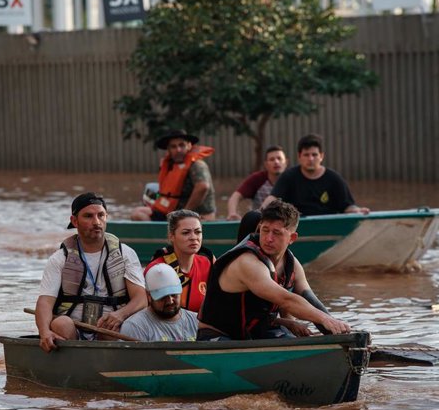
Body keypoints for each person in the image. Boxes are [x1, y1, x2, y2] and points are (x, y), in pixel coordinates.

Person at [197, 199, 351, 341]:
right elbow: (287, 300)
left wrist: (340, 336)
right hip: (218, 336)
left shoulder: (292, 264)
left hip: (254, 332)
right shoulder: (247, 262)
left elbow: (311, 301)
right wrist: (325, 319)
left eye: (277, 233)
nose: (268, 238)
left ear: (292, 238)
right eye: (265, 230)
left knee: (293, 340)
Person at [35, 192, 148, 352]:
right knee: (61, 323)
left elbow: (141, 299)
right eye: (88, 216)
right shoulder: (60, 258)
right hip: (72, 328)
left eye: (101, 215)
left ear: (106, 217)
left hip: (111, 328)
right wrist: (44, 332)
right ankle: (72, 360)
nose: (96, 222)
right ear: (74, 221)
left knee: (111, 327)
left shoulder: (126, 254)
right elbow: (45, 302)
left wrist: (120, 315)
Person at [263, 134, 369, 216]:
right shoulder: (288, 177)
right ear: (299, 156)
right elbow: (272, 199)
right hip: (297, 228)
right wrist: (260, 211)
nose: (311, 159)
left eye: (314, 155)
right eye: (306, 155)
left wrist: (358, 211)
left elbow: (348, 207)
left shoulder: (334, 179)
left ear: (321, 156)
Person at [131, 129, 216, 221]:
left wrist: (184, 214)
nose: (178, 150)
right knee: (137, 213)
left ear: (189, 146)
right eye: (173, 146)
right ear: (169, 150)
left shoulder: (197, 165)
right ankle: (160, 234)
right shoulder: (170, 165)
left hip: (197, 215)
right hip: (174, 213)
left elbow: (202, 187)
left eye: (181, 145)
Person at [145, 209, 213, 313]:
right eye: (186, 233)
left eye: (198, 232)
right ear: (171, 236)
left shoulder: (206, 263)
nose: (194, 237)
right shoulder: (157, 269)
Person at [120, 263, 199, 341]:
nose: (170, 301)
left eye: (174, 295)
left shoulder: (197, 321)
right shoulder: (135, 327)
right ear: (149, 296)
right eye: (163, 297)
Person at [226, 145, 288, 220]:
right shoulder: (257, 179)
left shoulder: (293, 178)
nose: (276, 162)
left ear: (286, 162)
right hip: (261, 222)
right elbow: (236, 196)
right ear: (266, 164)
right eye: (272, 159)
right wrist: (232, 213)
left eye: (279, 158)